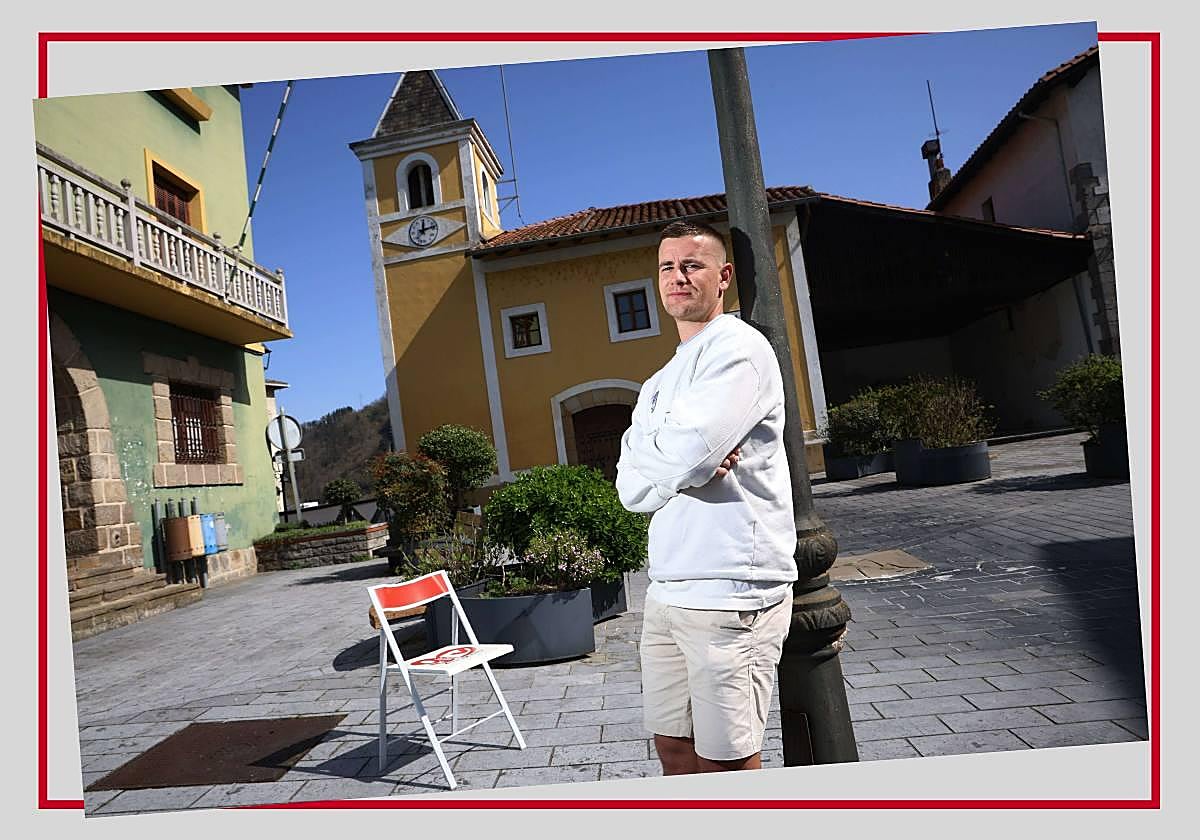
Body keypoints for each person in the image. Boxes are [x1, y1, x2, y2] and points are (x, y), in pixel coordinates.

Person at [615, 219, 797, 775]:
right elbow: (628, 489)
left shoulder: (739, 349)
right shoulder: (658, 382)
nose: (677, 277)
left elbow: (684, 455)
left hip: (732, 589)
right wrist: (678, 462)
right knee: (673, 749)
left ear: (723, 277)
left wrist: (669, 456)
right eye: (667, 267)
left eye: (691, 265)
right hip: (667, 590)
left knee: (727, 763)